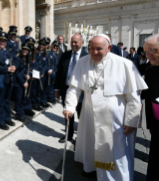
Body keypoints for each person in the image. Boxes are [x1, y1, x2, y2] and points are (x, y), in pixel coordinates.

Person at [64, 34, 147, 180]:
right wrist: (69, 107)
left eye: (99, 49)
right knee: (92, 148)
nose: (94, 53)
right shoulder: (83, 62)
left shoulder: (124, 64)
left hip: (117, 120)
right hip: (90, 116)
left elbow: (134, 97)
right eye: (91, 49)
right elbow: (74, 89)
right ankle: (94, 172)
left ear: (109, 48)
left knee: (118, 154)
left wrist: (131, 121)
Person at [54, 33, 88, 143]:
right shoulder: (65, 55)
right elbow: (59, 73)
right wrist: (56, 88)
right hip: (66, 89)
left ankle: (82, 137)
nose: (73, 44)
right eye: (72, 42)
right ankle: (68, 135)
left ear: (82, 43)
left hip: (82, 92)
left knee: (82, 115)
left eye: (76, 42)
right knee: (68, 114)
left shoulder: (87, 57)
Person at [142, 34, 159, 181]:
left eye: (152, 50)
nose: (147, 55)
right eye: (146, 52)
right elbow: (146, 98)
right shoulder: (150, 71)